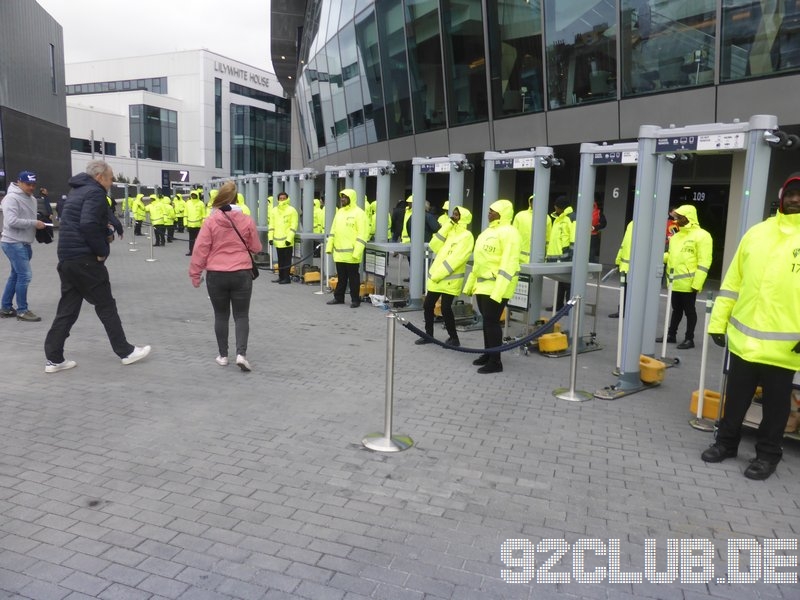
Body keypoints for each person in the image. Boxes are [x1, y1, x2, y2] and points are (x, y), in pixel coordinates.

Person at [701, 173, 800, 480]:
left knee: (775, 408)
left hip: (785, 347)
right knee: (737, 399)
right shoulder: (757, 233)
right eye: (792, 193)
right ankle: (726, 444)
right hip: (744, 340)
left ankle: (768, 456)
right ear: (782, 196)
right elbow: (732, 282)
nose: (796, 199)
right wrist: (719, 322)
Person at [43, 160, 151, 372]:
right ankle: (126, 351)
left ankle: (54, 358)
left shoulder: (76, 191)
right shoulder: (95, 192)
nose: (111, 182)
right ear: (100, 177)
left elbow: (79, 222)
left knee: (68, 309)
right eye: (110, 178)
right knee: (106, 305)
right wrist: (101, 250)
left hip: (67, 258)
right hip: (85, 259)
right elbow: (88, 223)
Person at [189, 181, 261, 371]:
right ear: (237, 200)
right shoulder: (246, 220)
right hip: (241, 273)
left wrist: (195, 274)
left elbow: (200, 249)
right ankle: (241, 354)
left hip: (216, 275)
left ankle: (222, 355)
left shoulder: (211, 221)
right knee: (241, 315)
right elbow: (256, 247)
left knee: (221, 315)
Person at [463, 199, 521, 374]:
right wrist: (471, 284)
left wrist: (499, 290)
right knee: (487, 321)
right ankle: (488, 354)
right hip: (483, 285)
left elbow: (509, 262)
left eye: (493, 210)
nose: (489, 213)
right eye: (489, 210)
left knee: (492, 322)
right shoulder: (488, 231)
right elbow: (480, 261)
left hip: (497, 286)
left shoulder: (510, 233)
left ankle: (496, 362)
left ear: (502, 213)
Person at [416, 206, 474, 348]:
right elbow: (433, 245)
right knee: (428, 305)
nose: (453, 216)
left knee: (445, 309)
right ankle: (428, 335)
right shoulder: (450, 231)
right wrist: (447, 225)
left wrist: (438, 274)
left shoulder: (467, 236)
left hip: (450, 279)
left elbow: (457, 259)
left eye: (456, 215)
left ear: (463, 218)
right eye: (453, 214)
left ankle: (454, 338)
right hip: (437, 277)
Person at [661, 204, 713, 349]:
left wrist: (697, 283)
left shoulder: (703, 236)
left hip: (689, 282)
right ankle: (671, 335)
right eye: (676, 217)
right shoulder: (676, 236)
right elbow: (671, 256)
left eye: (679, 217)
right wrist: (657, 257)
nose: (676, 220)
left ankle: (689, 339)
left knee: (690, 311)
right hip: (674, 281)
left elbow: (704, 261)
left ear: (688, 217)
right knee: (676, 309)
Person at [1, 171, 47, 321]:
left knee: (16, 275)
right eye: (28, 184)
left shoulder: (32, 199)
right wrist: (34, 223)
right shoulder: (11, 198)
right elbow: (11, 221)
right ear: (19, 182)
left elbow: (28, 218)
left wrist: (39, 220)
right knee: (25, 275)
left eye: (33, 184)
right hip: (12, 242)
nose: (31, 187)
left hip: (25, 242)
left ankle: (6, 308)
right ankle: (22, 310)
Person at [326, 189, 367, 308]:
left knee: (353, 279)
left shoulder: (359, 213)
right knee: (341, 278)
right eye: (342, 197)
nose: (342, 199)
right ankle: (338, 298)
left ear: (351, 198)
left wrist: (357, 252)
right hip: (339, 253)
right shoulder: (339, 212)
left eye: (345, 197)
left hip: (352, 254)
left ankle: (355, 300)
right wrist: (329, 247)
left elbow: (362, 234)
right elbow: (333, 231)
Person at [545, 196, 575, 311]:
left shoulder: (570, 218)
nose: (554, 207)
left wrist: (568, 254)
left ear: (560, 207)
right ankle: (558, 305)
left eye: (556, 206)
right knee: (560, 282)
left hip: (565, 256)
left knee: (567, 283)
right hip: (560, 257)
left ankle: (568, 307)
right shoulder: (560, 218)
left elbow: (572, 237)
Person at [268, 191, 298, 284]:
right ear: (278, 199)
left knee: (287, 261)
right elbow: (271, 225)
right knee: (280, 260)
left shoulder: (292, 210)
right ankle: (281, 277)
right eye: (280, 198)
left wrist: (289, 239)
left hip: (287, 241)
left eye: (283, 198)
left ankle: (286, 278)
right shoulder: (274, 210)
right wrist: (270, 238)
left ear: (287, 198)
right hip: (277, 240)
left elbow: (294, 225)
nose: (282, 200)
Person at [513, 194, 551, 264]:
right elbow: (513, 237)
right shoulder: (520, 215)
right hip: (519, 259)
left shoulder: (547, 218)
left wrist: (547, 257)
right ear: (530, 203)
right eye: (534, 202)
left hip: (538, 260)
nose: (537, 204)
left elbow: (548, 240)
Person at [609, 220, 633, 318]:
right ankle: (622, 311)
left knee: (633, 291)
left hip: (636, 267)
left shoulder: (645, 226)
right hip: (626, 266)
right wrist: (618, 261)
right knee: (624, 291)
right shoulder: (631, 224)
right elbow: (624, 244)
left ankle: (629, 312)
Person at [185, 189, 206, 256]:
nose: (193, 196)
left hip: (199, 225)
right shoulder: (188, 203)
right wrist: (185, 223)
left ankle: (199, 252)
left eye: (194, 195)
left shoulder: (201, 203)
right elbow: (185, 214)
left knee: (199, 240)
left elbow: (204, 215)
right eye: (192, 195)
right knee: (191, 239)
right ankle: (191, 251)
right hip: (190, 224)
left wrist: (203, 224)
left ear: (197, 195)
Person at [590, 195, 607, 262]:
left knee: (592, 252)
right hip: (583, 235)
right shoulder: (582, 210)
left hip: (593, 235)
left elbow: (604, 223)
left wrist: (594, 227)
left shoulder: (598, 212)